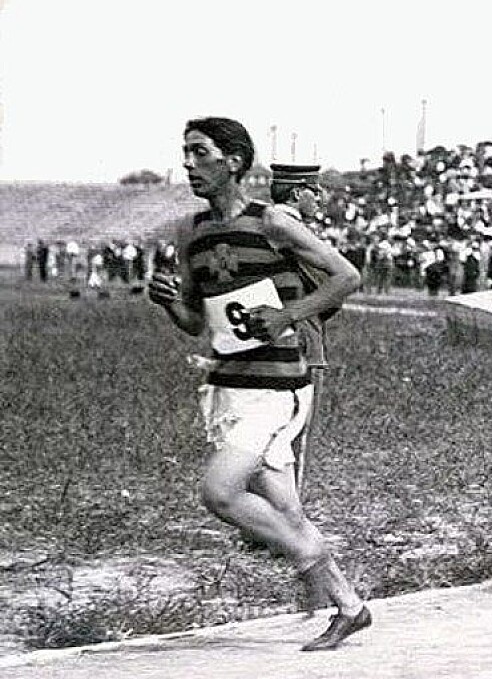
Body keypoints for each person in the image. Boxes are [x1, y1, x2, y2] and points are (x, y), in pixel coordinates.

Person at [147, 117, 369, 651]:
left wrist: (288, 314)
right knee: (286, 509)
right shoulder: (191, 232)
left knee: (219, 492)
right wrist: (169, 302)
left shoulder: (272, 222)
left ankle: (307, 557)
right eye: (185, 153)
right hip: (228, 385)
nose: (189, 164)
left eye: (201, 153)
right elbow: (197, 322)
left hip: (276, 386)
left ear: (234, 162)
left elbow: (346, 276)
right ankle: (350, 607)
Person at [269, 164, 332, 496]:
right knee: (293, 435)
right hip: (302, 339)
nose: (320, 198)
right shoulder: (292, 231)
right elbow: (330, 285)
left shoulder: (262, 226)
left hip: (265, 340)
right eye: (314, 191)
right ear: (296, 193)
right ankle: (285, 512)